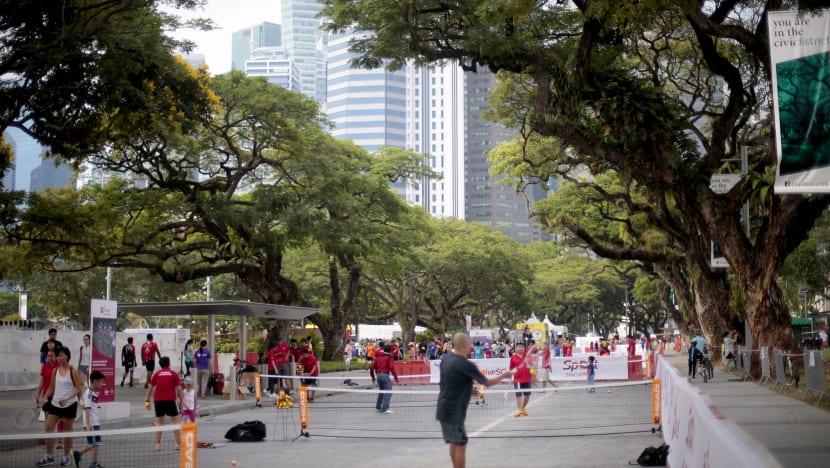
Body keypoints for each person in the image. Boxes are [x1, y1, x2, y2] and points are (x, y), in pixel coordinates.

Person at [436, 333, 514, 468]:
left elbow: (448, 382)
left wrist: (469, 390)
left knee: (454, 442)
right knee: (461, 444)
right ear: (466, 345)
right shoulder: (465, 364)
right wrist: (505, 375)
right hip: (453, 410)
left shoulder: (446, 360)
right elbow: (486, 383)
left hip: (444, 408)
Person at [37, 347, 83, 467]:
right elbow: (51, 387)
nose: (58, 358)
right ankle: (49, 456)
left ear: (66, 356)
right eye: (57, 356)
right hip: (55, 403)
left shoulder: (73, 371)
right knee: (48, 428)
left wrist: (67, 399)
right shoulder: (55, 371)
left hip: (69, 404)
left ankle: (66, 456)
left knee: (67, 432)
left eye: (60, 355)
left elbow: (79, 388)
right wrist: (44, 398)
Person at [145, 356, 183, 451]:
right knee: (175, 422)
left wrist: (147, 400)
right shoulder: (174, 374)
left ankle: (157, 445)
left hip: (158, 400)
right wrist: (181, 401)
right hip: (170, 399)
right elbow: (179, 389)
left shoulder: (157, 374)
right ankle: (177, 443)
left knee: (159, 423)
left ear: (160, 365)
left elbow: (150, 387)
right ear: (169, 363)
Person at [72, 370, 105, 468]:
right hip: (91, 423)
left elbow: (85, 405)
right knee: (93, 444)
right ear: (95, 381)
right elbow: (87, 408)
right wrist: (88, 424)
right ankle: (79, 455)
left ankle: (91, 462)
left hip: (95, 421)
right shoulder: (89, 393)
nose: (102, 385)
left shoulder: (93, 392)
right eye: (101, 382)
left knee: (96, 443)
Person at [370, 345, 400, 414]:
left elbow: (371, 368)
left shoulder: (378, 358)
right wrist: (395, 377)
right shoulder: (389, 358)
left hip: (378, 375)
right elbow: (391, 368)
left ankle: (378, 406)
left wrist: (373, 377)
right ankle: (385, 408)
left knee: (381, 391)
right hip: (385, 375)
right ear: (390, 351)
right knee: (388, 392)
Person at [509, 342, 532, 417]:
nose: (520, 348)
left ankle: (523, 409)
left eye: (522, 347)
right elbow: (511, 369)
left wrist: (534, 377)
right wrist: (510, 378)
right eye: (518, 347)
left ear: (524, 348)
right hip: (517, 379)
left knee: (527, 395)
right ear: (516, 348)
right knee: (518, 395)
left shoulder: (528, 356)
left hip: (527, 378)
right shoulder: (513, 357)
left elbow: (532, 367)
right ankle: (520, 410)